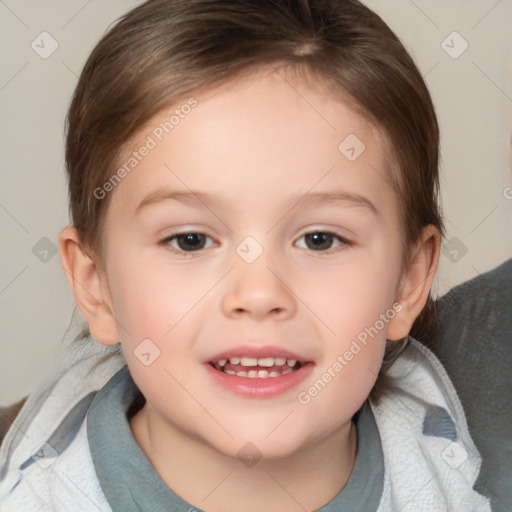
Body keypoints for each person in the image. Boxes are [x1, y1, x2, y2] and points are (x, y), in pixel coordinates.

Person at [0, 0, 493, 510]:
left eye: (320, 239)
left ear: (409, 281)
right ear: (94, 284)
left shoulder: (453, 475)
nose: (258, 295)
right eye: (190, 240)